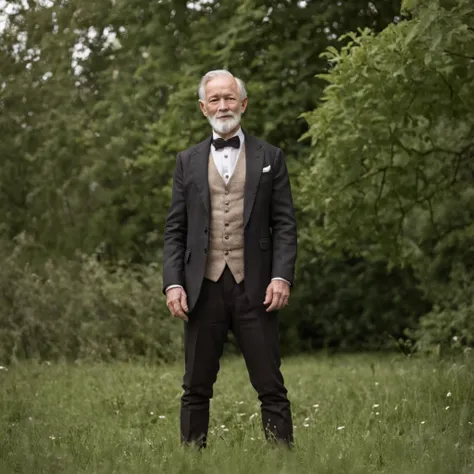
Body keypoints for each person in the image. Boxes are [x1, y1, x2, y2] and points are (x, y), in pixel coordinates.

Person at [162, 69, 297, 448]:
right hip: (201, 289)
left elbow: (285, 225)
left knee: (271, 386)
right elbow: (175, 229)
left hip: (257, 288)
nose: (224, 105)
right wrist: (173, 283)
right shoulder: (186, 161)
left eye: (230, 98)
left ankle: (285, 464)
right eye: (216, 99)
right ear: (203, 107)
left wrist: (281, 277)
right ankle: (192, 463)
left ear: (243, 103)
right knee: (195, 388)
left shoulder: (271, 156)